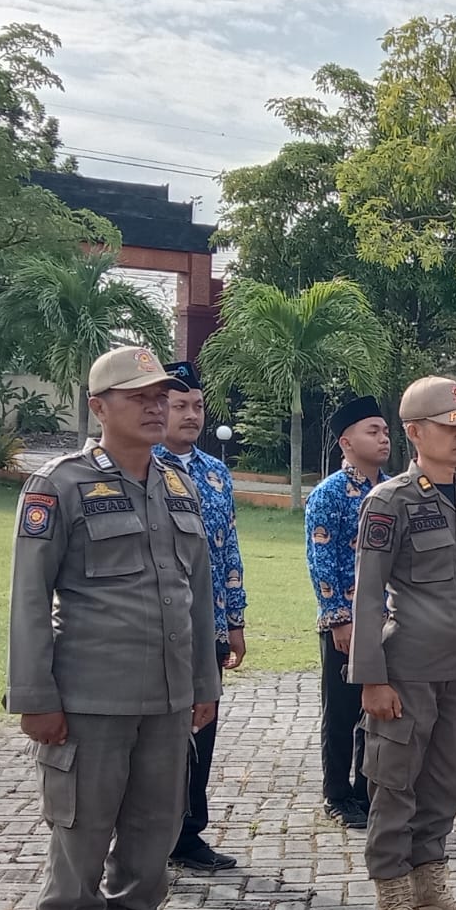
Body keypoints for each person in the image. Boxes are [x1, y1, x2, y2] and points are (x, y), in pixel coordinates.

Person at [6, 346, 219, 910]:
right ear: (99, 408)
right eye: (140, 397)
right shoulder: (58, 487)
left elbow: (196, 599)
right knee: (80, 848)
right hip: (89, 702)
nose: (157, 406)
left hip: (164, 704)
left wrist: (202, 684)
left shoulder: (178, 487)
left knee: (151, 849)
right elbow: (30, 603)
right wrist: (36, 695)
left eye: (162, 395)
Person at [351, 377, 456, 910]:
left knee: (444, 781)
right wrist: (372, 677)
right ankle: (393, 902)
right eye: (449, 426)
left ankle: (431, 893)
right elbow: (367, 593)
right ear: (414, 432)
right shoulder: (390, 502)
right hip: (404, 669)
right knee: (395, 783)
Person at [154, 360, 245, 873]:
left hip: (207, 626)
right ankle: (149, 834)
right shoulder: (146, 466)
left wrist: (235, 620)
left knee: (201, 733)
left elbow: (227, 549)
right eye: (179, 405)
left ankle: (188, 834)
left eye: (197, 406)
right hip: (158, 627)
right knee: (157, 737)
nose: (191, 415)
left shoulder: (214, 471)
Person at [305, 395, 391, 829]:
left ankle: (365, 788)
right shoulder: (330, 495)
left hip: (388, 620)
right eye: (372, 431)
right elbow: (323, 560)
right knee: (341, 710)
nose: (383, 438)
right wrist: (339, 616)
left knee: (375, 711)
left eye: (385, 431)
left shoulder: (392, 490)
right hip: (347, 621)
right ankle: (337, 794)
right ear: (346, 441)